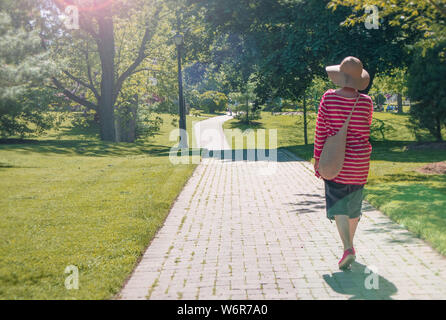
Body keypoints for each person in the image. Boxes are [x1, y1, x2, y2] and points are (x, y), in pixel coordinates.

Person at [313, 56, 374, 270]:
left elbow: (321, 131)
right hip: (360, 163)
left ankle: (348, 247)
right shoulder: (367, 102)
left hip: (336, 159)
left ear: (340, 76)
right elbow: (365, 129)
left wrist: (317, 159)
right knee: (353, 206)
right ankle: (349, 247)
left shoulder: (328, 99)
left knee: (339, 203)